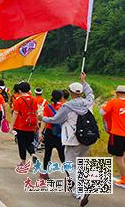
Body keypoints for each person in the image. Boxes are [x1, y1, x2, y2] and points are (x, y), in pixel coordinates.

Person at [42, 72, 94, 205]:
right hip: (87, 139)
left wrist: (42, 118)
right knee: (80, 165)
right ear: (81, 92)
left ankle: (81, 191)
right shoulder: (88, 102)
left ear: (70, 92)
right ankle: (77, 191)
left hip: (72, 139)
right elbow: (90, 93)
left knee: (70, 165)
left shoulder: (68, 106)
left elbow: (55, 119)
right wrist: (84, 81)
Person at [100, 85, 125, 189]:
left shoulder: (113, 102)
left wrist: (103, 106)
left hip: (117, 133)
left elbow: (102, 112)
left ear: (117, 93)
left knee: (118, 157)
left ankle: (124, 180)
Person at [10, 81, 38, 166]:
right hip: (31, 124)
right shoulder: (34, 99)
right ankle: (32, 153)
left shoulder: (18, 100)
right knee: (29, 142)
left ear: (19, 90)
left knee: (21, 143)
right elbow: (36, 112)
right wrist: (36, 124)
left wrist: (12, 126)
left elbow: (15, 113)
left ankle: (23, 161)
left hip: (20, 125)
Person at [39, 90, 65, 179]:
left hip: (49, 133)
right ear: (62, 97)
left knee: (47, 153)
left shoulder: (48, 107)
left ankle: (44, 173)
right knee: (62, 155)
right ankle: (70, 175)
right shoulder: (64, 107)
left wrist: (40, 132)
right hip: (60, 134)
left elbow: (44, 121)